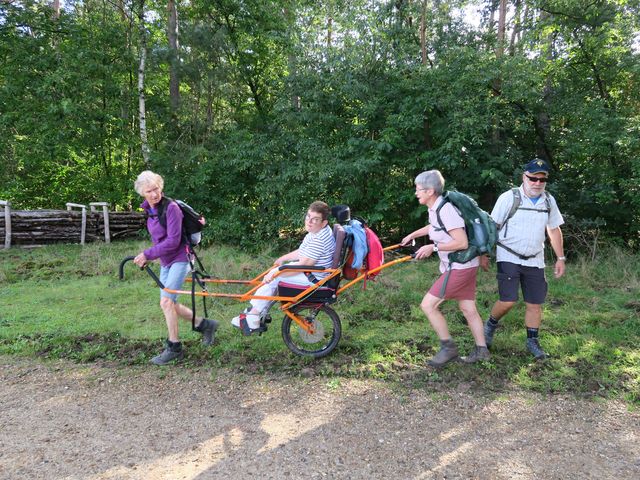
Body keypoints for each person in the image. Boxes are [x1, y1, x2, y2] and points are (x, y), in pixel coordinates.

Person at [401, 170, 489, 367]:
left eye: (419, 190)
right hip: (464, 266)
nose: (416, 193)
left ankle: (448, 348)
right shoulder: (435, 208)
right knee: (468, 308)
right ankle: (482, 350)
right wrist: (411, 235)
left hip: (460, 267)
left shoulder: (446, 210)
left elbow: (462, 242)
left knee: (428, 305)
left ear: (430, 191)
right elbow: (434, 227)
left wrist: (432, 247)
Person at [133, 170, 219, 365]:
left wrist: (147, 254)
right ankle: (205, 325)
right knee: (168, 303)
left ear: (160, 186)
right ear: (142, 193)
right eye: (149, 191)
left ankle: (174, 347)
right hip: (166, 261)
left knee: (166, 302)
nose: (154, 194)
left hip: (181, 258)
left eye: (156, 189)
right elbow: (159, 240)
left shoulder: (171, 208)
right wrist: (152, 256)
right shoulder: (151, 211)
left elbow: (173, 241)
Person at [483, 158, 566, 360]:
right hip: (508, 255)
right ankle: (490, 325)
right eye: (532, 178)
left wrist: (560, 257)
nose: (537, 183)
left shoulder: (548, 201)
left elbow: (554, 230)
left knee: (534, 303)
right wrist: (484, 253)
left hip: (535, 260)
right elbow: (491, 227)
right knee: (508, 301)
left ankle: (532, 342)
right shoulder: (509, 198)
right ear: (524, 177)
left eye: (542, 179)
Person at [232, 201, 336, 335]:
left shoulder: (320, 239)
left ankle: (253, 316)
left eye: (315, 219)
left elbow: (303, 264)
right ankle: (258, 313)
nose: (309, 221)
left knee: (275, 277)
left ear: (324, 223)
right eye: (308, 217)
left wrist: (277, 272)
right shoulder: (316, 232)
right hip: (312, 272)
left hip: (315, 279)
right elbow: (302, 252)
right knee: (274, 274)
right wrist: (283, 258)